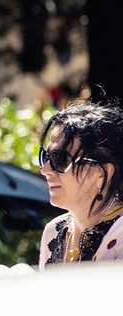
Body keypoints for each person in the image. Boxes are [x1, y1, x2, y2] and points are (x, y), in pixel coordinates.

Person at [38, 101, 123, 268]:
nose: (45, 170)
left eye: (60, 159)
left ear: (101, 172)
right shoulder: (53, 232)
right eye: (45, 157)